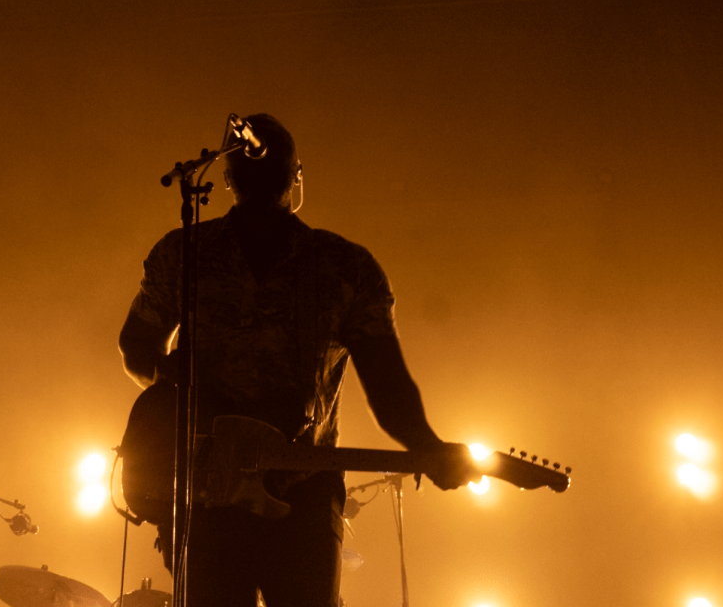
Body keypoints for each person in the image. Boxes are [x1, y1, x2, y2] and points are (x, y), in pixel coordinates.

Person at [118, 114, 475, 607]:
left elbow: (387, 383)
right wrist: (185, 396)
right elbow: (138, 348)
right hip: (207, 490)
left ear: (227, 179)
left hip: (301, 491)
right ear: (297, 176)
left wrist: (429, 447)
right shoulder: (189, 254)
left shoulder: (340, 267)